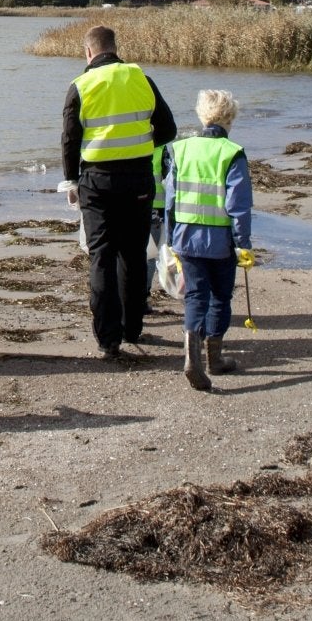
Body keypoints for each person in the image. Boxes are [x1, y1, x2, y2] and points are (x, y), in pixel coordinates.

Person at [60, 24, 177, 358]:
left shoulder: (80, 85)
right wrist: (140, 145)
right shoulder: (140, 77)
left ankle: (108, 338)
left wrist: (71, 183)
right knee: (133, 253)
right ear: (114, 47)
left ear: (88, 52)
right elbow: (168, 128)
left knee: (102, 254)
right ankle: (132, 328)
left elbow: (69, 139)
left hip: (97, 181)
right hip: (138, 178)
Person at [158, 88, 253, 391]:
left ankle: (192, 356)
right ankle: (214, 358)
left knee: (195, 295)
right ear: (230, 118)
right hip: (221, 240)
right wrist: (243, 242)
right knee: (221, 296)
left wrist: (171, 235)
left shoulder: (180, 149)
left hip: (186, 236)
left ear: (201, 115)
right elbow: (238, 204)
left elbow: (170, 197)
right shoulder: (231, 152)